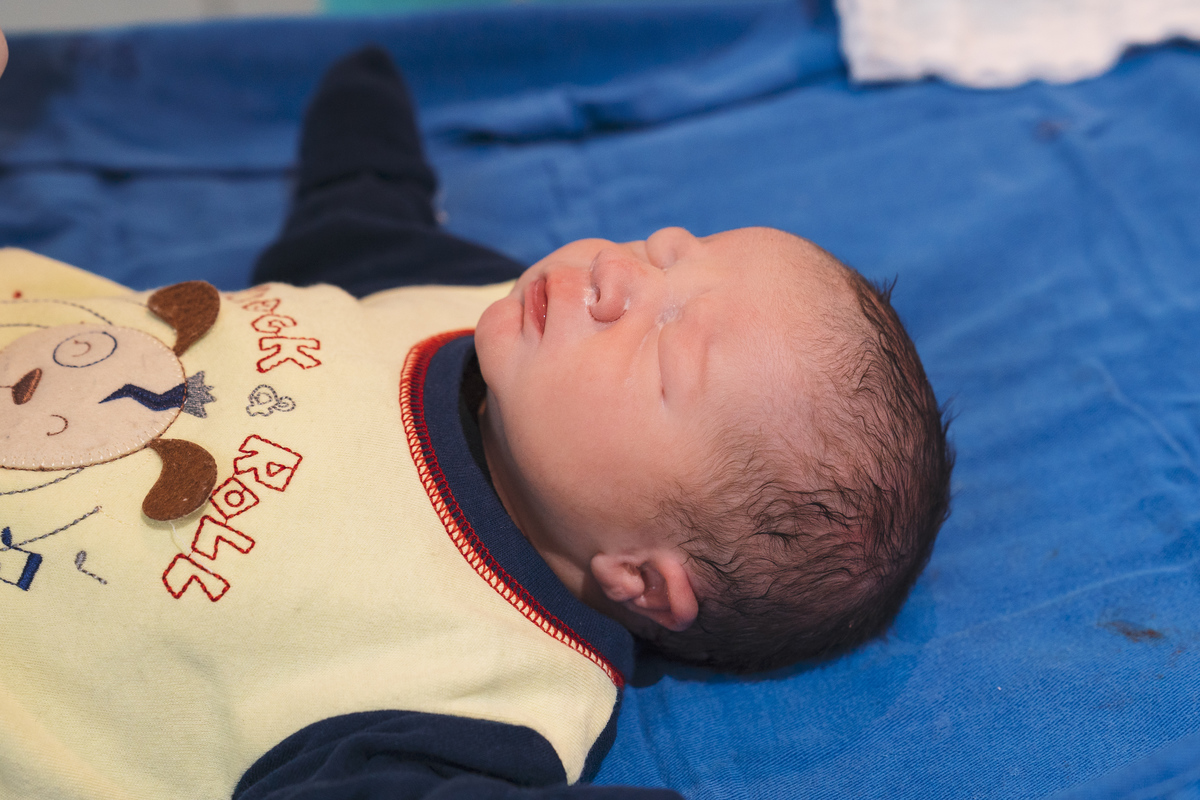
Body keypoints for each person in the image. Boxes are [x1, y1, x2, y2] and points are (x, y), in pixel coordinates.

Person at [0, 46, 951, 800]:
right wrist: (365, 124)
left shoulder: (481, 691)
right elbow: (359, 221)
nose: (616, 274)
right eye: (667, 252)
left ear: (641, 579)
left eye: (665, 352)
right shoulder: (473, 313)